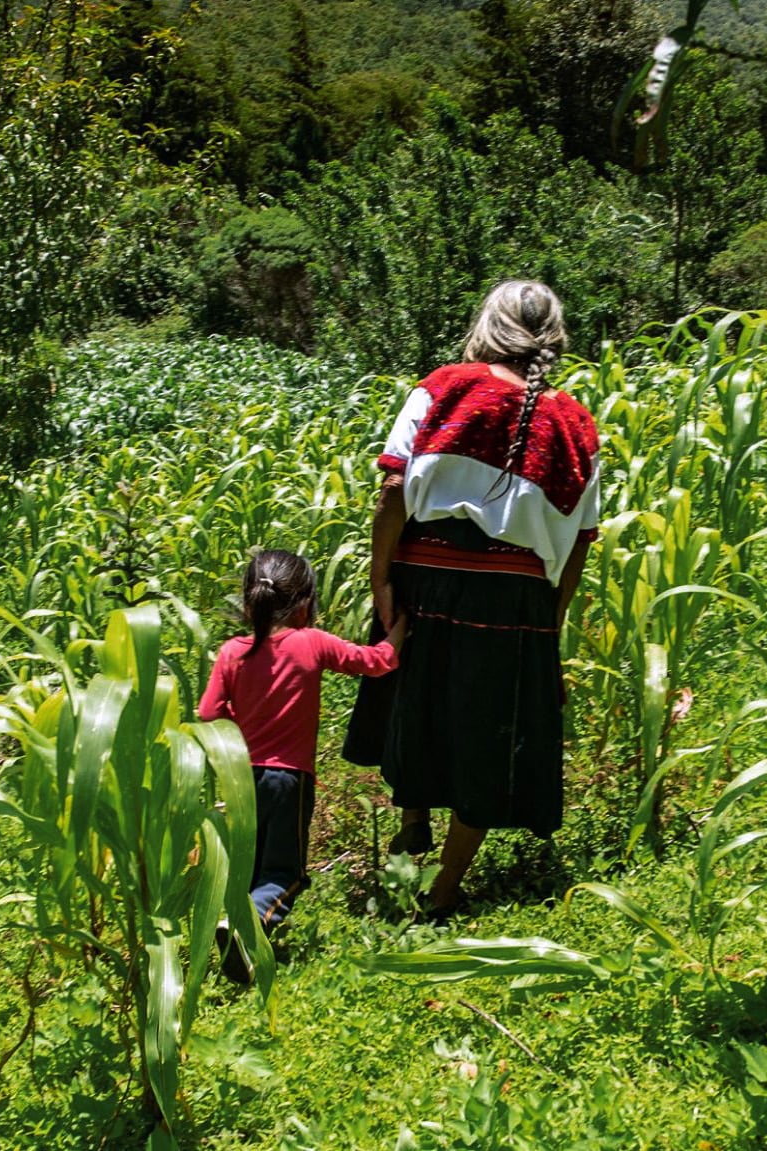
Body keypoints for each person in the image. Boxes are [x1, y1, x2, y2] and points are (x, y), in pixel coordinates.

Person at [343, 280, 601, 917]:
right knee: (488, 731)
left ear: (489, 325)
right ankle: (444, 889)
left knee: (414, 699)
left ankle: (412, 825)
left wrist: (381, 579)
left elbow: (394, 490)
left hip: (425, 573)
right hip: (516, 595)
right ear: (554, 338)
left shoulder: (444, 387)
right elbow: (580, 541)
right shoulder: (575, 423)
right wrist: (550, 620)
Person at [198, 549, 407, 982]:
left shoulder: (232, 652)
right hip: (288, 780)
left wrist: (244, 726)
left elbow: (208, 713)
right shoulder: (311, 642)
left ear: (250, 601)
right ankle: (248, 926)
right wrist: (401, 630)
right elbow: (376, 662)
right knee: (286, 873)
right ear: (306, 604)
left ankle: (238, 933)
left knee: (251, 864)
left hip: (241, 780)